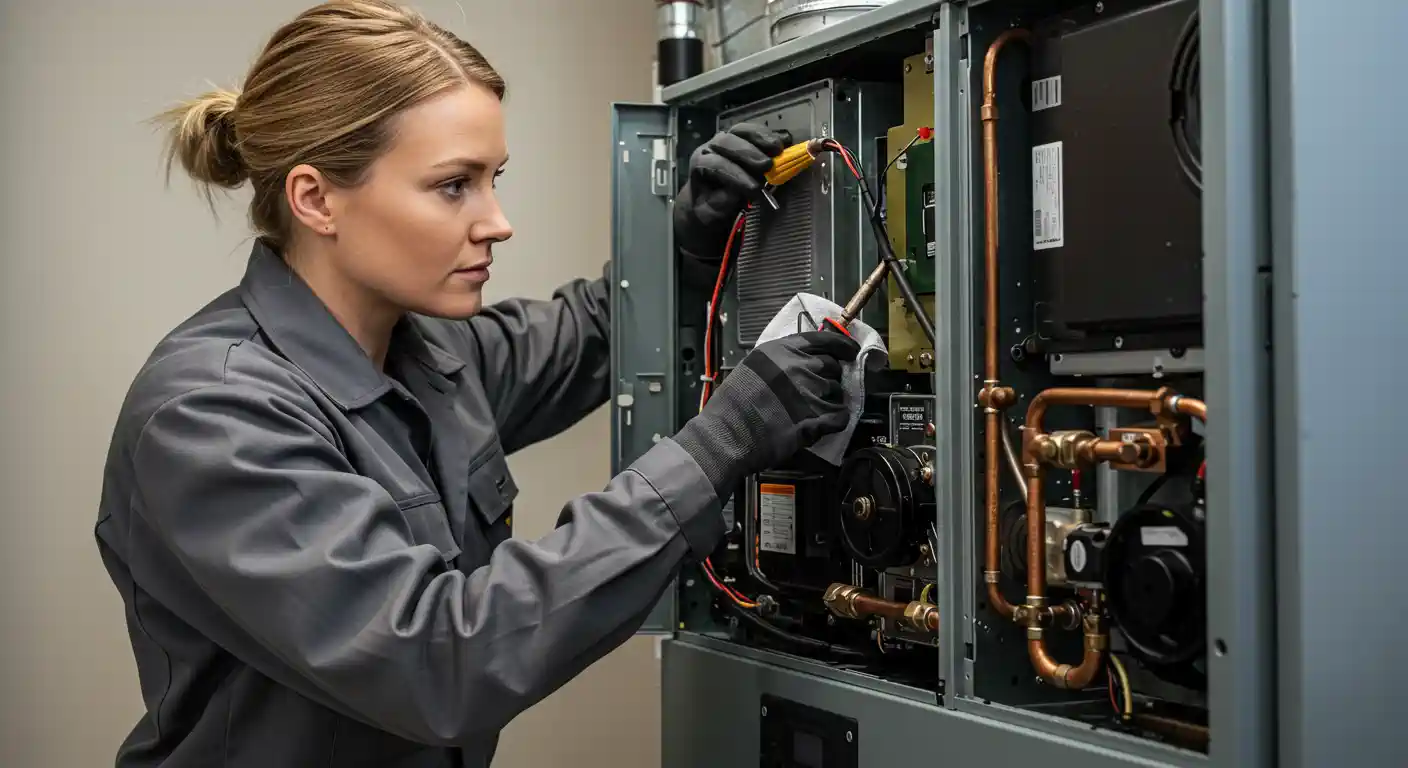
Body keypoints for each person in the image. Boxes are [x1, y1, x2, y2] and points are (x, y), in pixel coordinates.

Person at [94, 2, 860, 767]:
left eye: (493, 180)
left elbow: (586, 332)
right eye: (454, 186)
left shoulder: (426, 354)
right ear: (315, 198)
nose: (497, 221)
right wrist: (723, 442)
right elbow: (435, 662)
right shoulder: (212, 413)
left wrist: (689, 252)